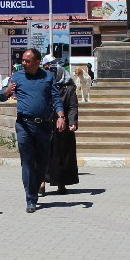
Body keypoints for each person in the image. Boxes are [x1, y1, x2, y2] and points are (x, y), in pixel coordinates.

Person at [0, 48, 66, 213]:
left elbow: (56, 99)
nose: (23, 63)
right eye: (23, 60)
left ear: (37, 62)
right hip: (24, 125)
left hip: (44, 126)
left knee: (42, 163)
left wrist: (61, 116)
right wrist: (6, 91)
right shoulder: (17, 77)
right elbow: (1, 96)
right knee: (27, 162)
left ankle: (35, 188)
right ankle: (31, 198)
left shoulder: (48, 77)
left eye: (27, 61)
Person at [43, 59, 79, 195]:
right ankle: (42, 181)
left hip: (63, 126)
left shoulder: (69, 89)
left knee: (63, 156)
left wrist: (72, 122)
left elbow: (72, 107)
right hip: (47, 124)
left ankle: (61, 184)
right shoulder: (46, 86)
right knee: (45, 154)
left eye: (54, 73)